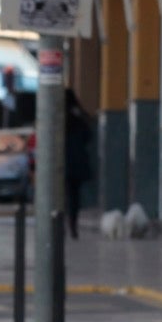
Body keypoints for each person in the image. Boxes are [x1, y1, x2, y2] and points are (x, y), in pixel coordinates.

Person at [63, 92, 92, 238]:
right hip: (77, 162)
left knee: (64, 194)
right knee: (74, 196)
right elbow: (89, 136)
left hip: (62, 162)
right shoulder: (78, 117)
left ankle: (61, 222)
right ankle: (72, 224)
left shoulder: (59, 117)